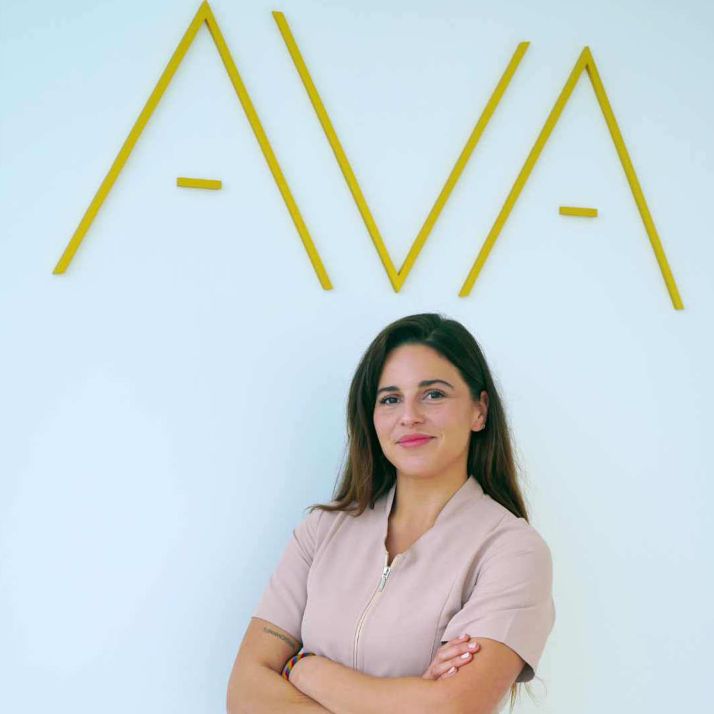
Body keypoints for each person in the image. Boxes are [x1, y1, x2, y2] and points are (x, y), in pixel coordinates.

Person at [226, 313, 555, 713]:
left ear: (479, 410)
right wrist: (407, 699)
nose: (409, 415)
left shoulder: (512, 551)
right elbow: (244, 693)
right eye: (390, 399)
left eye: (434, 394)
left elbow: (450, 709)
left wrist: (305, 669)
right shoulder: (321, 532)